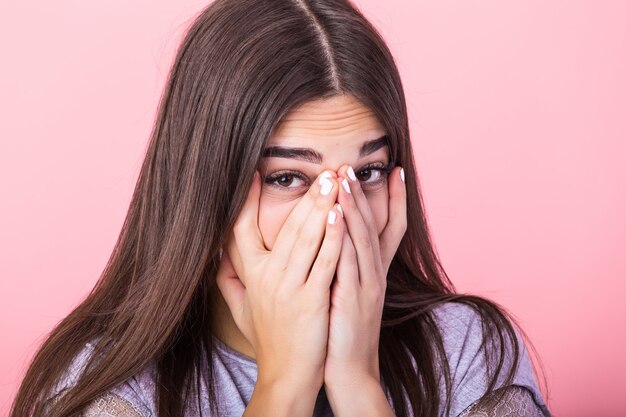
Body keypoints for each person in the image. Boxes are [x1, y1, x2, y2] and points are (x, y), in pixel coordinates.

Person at [10, 0, 553, 416]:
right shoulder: (109, 389)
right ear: (208, 192)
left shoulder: (468, 352)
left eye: (366, 173)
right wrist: (284, 386)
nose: (336, 217)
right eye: (289, 178)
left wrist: (359, 383)